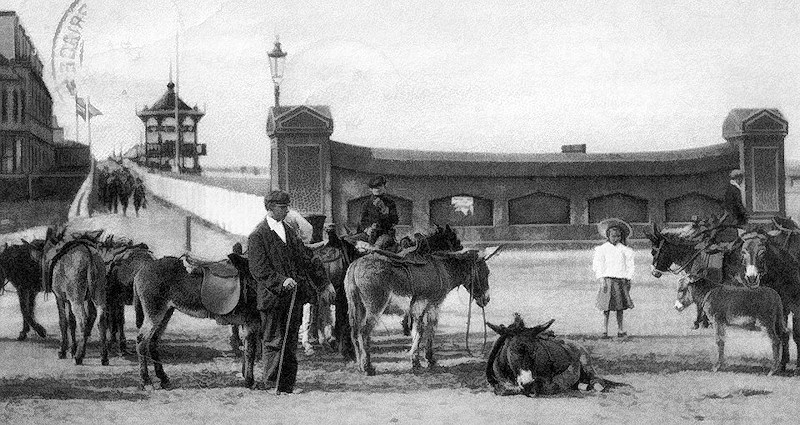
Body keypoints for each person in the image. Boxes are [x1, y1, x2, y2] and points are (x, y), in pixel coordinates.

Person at [248, 190, 325, 394]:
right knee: (273, 341)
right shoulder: (258, 235)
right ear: (270, 208)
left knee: (291, 341)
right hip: (272, 298)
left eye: (287, 206)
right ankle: (271, 383)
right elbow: (258, 269)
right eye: (282, 207)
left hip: (293, 298)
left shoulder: (289, 230)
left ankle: (287, 385)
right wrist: (281, 281)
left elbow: (301, 257)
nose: (287, 210)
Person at [592, 218, 635, 338]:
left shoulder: (625, 250)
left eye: (618, 236)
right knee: (606, 308)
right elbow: (598, 265)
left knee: (619, 308)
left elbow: (630, 265)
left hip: (620, 282)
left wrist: (628, 278)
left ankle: (620, 330)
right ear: (608, 236)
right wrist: (601, 279)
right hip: (607, 281)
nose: (615, 239)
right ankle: (604, 330)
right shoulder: (602, 249)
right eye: (613, 236)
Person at [359, 175, 399, 249]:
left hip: (385, 234)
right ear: (370, 189)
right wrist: (367, 229)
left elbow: (395, 221)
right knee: (348, 240)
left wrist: (385, 212)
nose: (377, 189)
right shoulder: (366, 204)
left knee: (376, 248)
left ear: (384, 187)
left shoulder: (390, 203)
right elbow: (362, 221)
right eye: (375, 187)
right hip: (370, 234)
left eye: (380, 186)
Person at [722, 169, 748, 236]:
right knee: (740, 231)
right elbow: (737, 203)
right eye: (741, 179)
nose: (742, 181)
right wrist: (744, 212)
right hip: (735, 214)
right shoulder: (734, 189)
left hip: (732, 213)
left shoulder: (729, 188)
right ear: (738, 178)